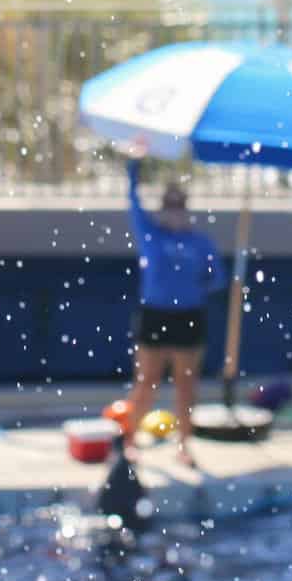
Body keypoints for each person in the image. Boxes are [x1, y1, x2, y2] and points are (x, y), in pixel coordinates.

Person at [120, 144, 225, 466]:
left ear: (187, 210)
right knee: (147, 381)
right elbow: (132, 201)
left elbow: (217, 278)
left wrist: (198, 287)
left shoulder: (200, 243)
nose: (175, 212)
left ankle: (184, 444)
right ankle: (129, 440)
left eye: (180, 207)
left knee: (185, 384)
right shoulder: (150, 234)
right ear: (163, 209)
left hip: (188, 316)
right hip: (154, 314)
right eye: (170, 206)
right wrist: (135, 164)